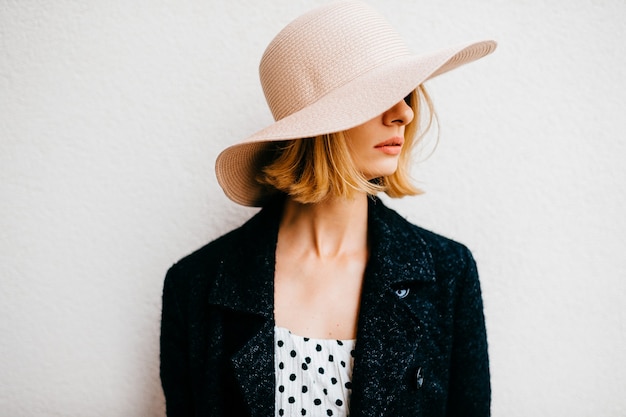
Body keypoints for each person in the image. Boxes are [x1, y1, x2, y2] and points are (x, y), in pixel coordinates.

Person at [160, 1, 497, 416]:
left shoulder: (449, 273)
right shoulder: (196, 285)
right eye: (379, 95)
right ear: (316, 126)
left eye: (406, 93)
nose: (404, 113)